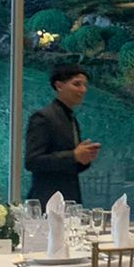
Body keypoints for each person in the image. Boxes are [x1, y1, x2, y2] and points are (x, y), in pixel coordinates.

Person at [25, 64, 100, 206]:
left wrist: (84, 158)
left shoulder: (71, 118)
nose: (83, 90)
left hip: (70, 200)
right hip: (47, 202)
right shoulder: (43, 117)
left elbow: (69, 165)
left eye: (84, 85)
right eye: (77, 84)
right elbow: (32, 161)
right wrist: (74, 156)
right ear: (59, 86)